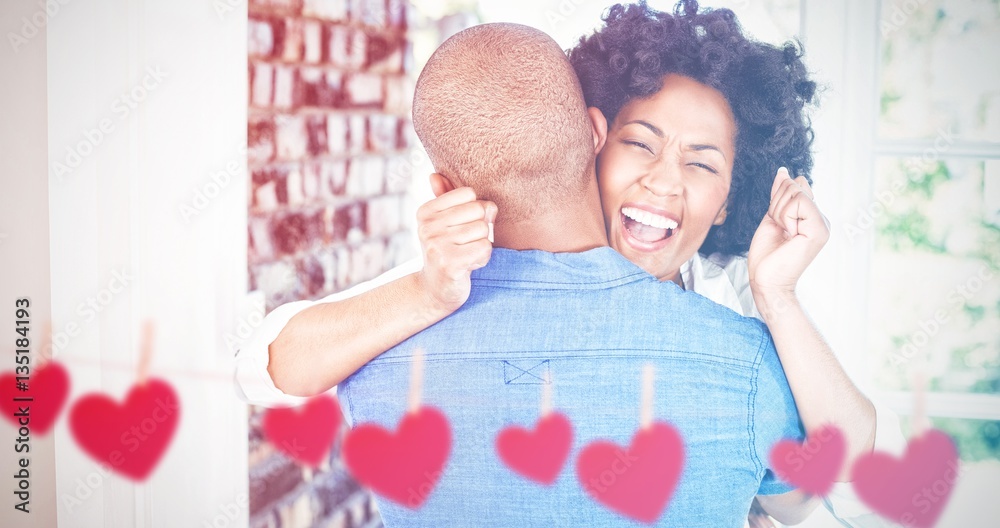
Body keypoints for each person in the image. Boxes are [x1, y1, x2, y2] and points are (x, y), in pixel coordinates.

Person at [235, 2, 905, 526]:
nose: (665, 182)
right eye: (640, 145)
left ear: (733, 197)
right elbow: (262, 370)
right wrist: (427, 292)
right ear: (592, 143)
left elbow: (842, 487)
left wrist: (779, 300)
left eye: (702, 162)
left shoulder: (752, 316)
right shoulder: (455, 273)